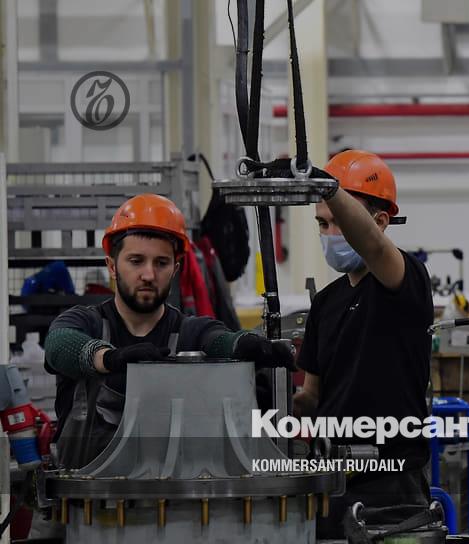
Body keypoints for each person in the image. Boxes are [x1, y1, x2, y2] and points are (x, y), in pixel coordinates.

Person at [44, 193, 295, 469]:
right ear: (112, 266)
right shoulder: (85, 322)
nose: (149, 275)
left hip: (169, 493)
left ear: (175, 269)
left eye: (161, 263)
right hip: (84, 493)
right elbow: (58, 345)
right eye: (136, 261)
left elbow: (217, 339)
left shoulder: (189, 331)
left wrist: (244, 344)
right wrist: (109, 358)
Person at [291, 150, 433, 537]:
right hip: (332, 479)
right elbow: (312, 397)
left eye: (338, 222)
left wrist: (328, 187)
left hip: (391, 484)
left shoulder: (404, 280)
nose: (329, 234)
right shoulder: (326, 303)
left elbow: (372, 247)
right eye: (322, 224)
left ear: (380, 221)